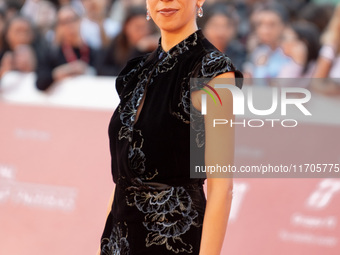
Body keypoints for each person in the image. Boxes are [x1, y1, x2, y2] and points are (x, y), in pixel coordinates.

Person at [97, 0, 243, 255]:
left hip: (173, 241)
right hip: (119, 241)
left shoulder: (213, 71)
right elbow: (123, 177)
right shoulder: (137, 72)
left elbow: (222, 188)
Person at [35, 5, 97, 91]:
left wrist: (87, 70)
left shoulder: (93, 51)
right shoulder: (52, 54)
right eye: (64, 22)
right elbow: (40, 83)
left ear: (80, 21)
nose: (69, 25)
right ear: (58, 27)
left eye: (72, 20)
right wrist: (61, 72)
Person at [95, 6, 158, 76]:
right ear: (126, 27)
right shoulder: (118, 41)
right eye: (138, 27)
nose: (142, 32)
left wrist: (139, 49)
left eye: (145, 28)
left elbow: (136, 73)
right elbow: (100, 69)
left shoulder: (152, 47)